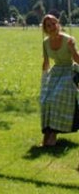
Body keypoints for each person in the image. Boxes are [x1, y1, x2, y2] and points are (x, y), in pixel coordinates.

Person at [40, 13, 79, 146]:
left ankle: (53, 134)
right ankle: (47, 133)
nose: (51, 27)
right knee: (45, 100)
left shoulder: (68, 39)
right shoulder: (45, 42)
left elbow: (77, 60)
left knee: (56, 97)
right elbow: (46, 63)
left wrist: (73, 49)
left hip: (69, 71)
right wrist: (44, 80)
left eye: (53, 23)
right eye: (48, 25)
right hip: (56, 71)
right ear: (45, 28)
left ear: (58, 24)